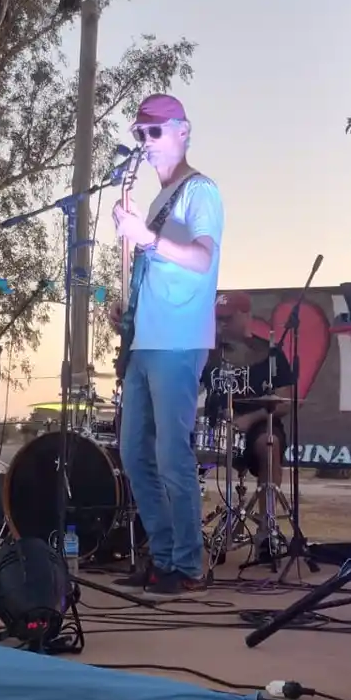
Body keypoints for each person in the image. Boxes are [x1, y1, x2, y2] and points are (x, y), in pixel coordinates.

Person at [109, 94, 224, 595]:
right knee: (134, 454)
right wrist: (128, 308)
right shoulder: (158, 201)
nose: (147, 143)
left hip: (178, 340)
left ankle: (187, 564)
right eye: (141, 133)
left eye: (156, 132)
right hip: (144, 341)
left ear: (183, 131)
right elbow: (158, 270)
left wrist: (148, 239)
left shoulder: (200, 192)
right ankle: (162, 557)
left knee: (172, 454)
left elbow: (201, 260)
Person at [201, 291, 295, 491]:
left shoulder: (269, 353)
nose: (222, 324)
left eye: (228, 318)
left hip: (258, 425)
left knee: (269, 444)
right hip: (213, 427)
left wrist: (250, 419)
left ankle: (265, 519)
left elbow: (285, 401)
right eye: (218, 318)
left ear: (246, 315)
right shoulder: (205, 353)